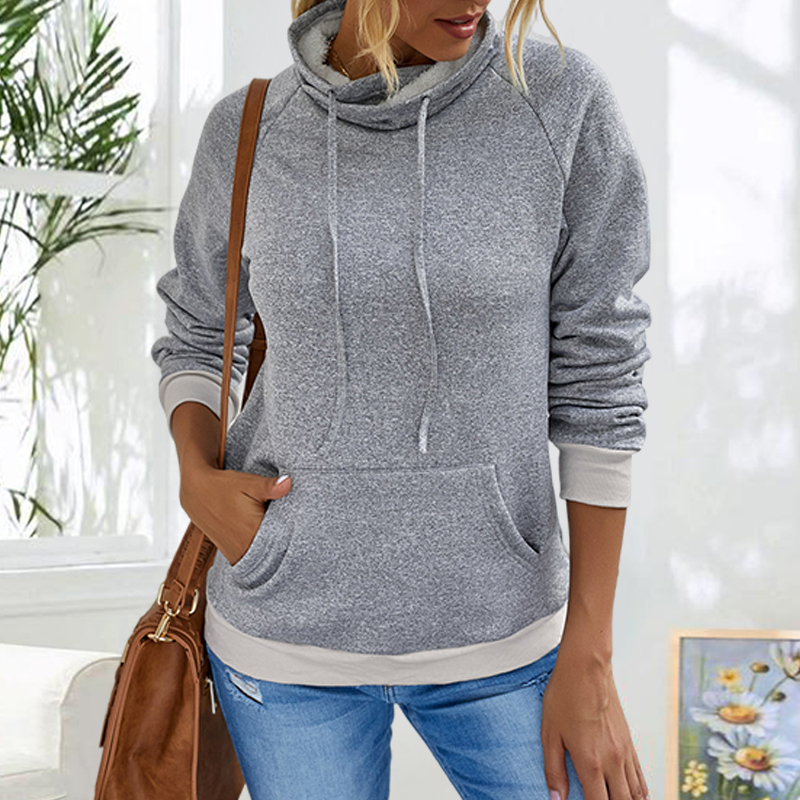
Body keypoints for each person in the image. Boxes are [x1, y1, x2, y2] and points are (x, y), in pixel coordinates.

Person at [150, 0, 653, 797]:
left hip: (507, 637)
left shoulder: (557, 102)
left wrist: (591, 652)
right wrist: (193, 473)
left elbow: (602, 372)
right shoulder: (250, 128)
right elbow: (198, 330)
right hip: (283, 643)